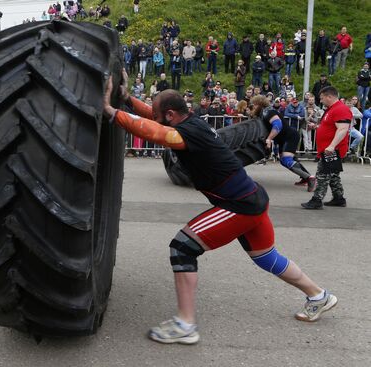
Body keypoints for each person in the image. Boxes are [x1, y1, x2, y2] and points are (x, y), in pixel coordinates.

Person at [102, 70, 338, 345]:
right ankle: (318, 296)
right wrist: (126, 98)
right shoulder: (191, 121)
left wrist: (110, 110)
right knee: (266, 257)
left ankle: (185, 324)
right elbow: (152, 118)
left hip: (238, 204)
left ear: (169, 115)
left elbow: (153, 130)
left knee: (182, 247)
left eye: (157, 112)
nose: (153, 115)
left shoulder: (183, 135)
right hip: (252, 197)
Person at [251, 95, 316, 189]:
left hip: (289, 137)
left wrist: (269, 139)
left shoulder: (268, 112)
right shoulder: (263, 113)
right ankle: (306, 177)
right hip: (283, 139)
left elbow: (277, 125)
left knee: (286, 160)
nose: (253, 107)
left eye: (254, 105)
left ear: (259, 104)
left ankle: (310, 178)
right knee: (286, 160)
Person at [301, 86, 351, 209]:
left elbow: (343, 129)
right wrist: (317, 127)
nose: (321, 101)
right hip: (329, 148)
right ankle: (339, 198)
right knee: (333, 174)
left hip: (332, 150)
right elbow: (330, 127)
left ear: (330, 96)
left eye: (322, 98)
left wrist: (332, 146)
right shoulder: (332, 109)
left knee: (322, 174)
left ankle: (317, 200)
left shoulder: (340, 109)